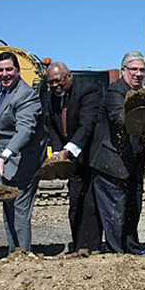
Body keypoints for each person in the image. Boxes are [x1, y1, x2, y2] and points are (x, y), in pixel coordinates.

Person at [90, 51, 145, 254]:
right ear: (123, 71)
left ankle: (132, 249)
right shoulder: (115, 91)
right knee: (115, 212)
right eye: (134, 69)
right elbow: (120, 118)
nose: (138, 73)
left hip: (132, 162)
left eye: (142, 70)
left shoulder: (142, 94)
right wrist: (143, 130)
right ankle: (116, 253)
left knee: (132, 208)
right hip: (111, 162)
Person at [0, 51, 46, 254]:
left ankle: (24, 254)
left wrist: (3, 156)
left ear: (18, 71)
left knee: (20, 210)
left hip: (23, 160)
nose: (4, 74)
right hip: (4, 158)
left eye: (9, 69)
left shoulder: (26, 95)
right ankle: (13, 252)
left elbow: (25, 131)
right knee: (8, 207)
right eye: (1, 70)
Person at [44, 61, 102, 254]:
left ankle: (92, 246)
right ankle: (79, 245)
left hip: (91, 156)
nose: (54, 86)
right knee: (75, 202)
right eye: (50, 82)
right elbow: (52, 126)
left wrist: (68, 151)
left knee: (91, 203)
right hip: (71, 159)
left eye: (58, 81)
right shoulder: (52, 97)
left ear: (69, 76)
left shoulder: (88, 91)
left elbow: (87, 125)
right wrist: (58, 151)